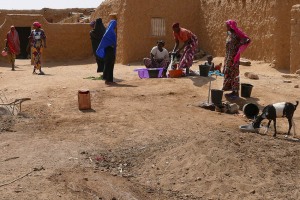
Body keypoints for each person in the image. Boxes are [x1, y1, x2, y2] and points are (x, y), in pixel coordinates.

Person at [223, 20, 250, 99]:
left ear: (231, 26)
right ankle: (231, 90)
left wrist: (239, 48)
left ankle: (236, 92)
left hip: (234, 58)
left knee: (234, 74)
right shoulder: (229, 34)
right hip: (228, 57)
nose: (226, 27)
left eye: (227, 25)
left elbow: (246, 40)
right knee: (228, 72)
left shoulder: (237, 34)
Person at [96, 20, 117, 85]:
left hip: (110, 50)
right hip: (109, 51)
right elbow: (105, 41)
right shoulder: (109, 32)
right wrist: (111, 44)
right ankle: (107, 80)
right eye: (115, 24)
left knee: (110, 65)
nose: (116, 26)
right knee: (108, 65)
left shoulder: (111, 31)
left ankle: (110, 80)